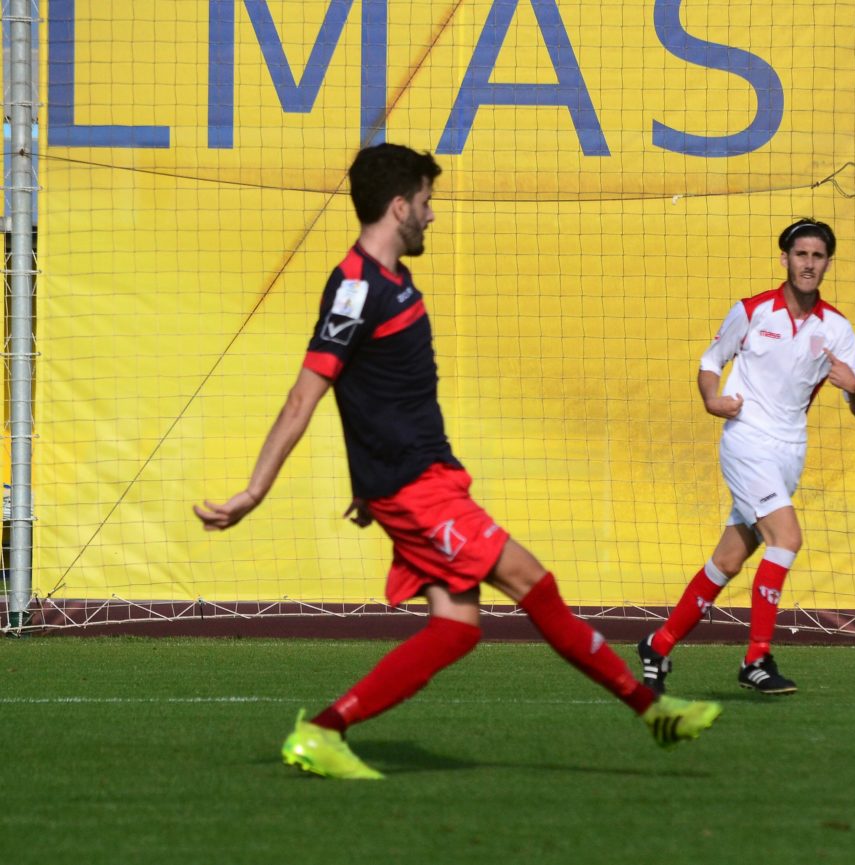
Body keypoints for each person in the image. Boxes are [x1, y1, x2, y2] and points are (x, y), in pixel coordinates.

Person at [194, 143, 721, 779]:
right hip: (414, 487)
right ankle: (651, 710)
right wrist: (255, 491)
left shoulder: (392, 281)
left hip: (421, 477)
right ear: (399, 207)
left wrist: (367, 480)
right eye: (425, 201)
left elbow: (371, 389)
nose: (432, 214)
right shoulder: (357, 289)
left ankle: (324, 731)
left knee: (458, 626)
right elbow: (305, 395)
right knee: (532, 581)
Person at [636, 219, 855, 696]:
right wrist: (711, 399)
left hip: (790, 453)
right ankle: (756, 658)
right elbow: (710, 361)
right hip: (746, 441)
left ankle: (656, 646)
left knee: (728, 560)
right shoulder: (752, 311)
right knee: (787, 538)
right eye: (801, 254)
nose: (808, 264)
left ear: (828, 264)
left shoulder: (837, 328)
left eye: (818, 256)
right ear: (785, 259)